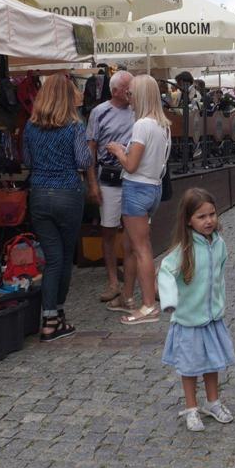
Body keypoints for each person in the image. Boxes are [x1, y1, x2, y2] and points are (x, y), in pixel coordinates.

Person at [158, 187, 235, 431]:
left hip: (211, 317)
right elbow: (165, 272)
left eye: (212, 214)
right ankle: (192, 408)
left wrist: (219, 302)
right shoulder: (184, 249)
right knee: (190, 368)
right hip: (189, 320)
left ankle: (213, 402)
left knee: (212, 363)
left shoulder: (219, 244)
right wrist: (170, 300)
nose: (209, 220)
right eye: (201, 216)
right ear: (188, 220)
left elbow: (219, 274)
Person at [23, 74, 92, 342]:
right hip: (68, 193)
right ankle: (53, 318)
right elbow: (84, 161)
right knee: (63, 259)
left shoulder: (31, 127)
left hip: (39, 194)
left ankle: (53, 316)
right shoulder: (74, 126)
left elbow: (27, 160)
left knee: (52, 258)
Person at [105, 74, 171, 326]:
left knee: (141, 249)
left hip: (137, 188)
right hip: (152, 188)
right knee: (133, 246)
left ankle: (148, 306)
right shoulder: (162, 125)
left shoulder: (142, 125)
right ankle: (128, 297)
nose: (128, 97)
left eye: (131, 93)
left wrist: (119, 151)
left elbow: (131, 165)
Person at [85, 70, 135, 305]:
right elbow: (91, 149)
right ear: (115, 91)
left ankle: (132, 279)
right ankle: (113, 280)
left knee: (135, 230)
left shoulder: (138, 110)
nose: (131, 91)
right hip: (110, 179)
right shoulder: (99, 112)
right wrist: (92, 182)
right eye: (127, 88)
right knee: (109, 230)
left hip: (134, 178)